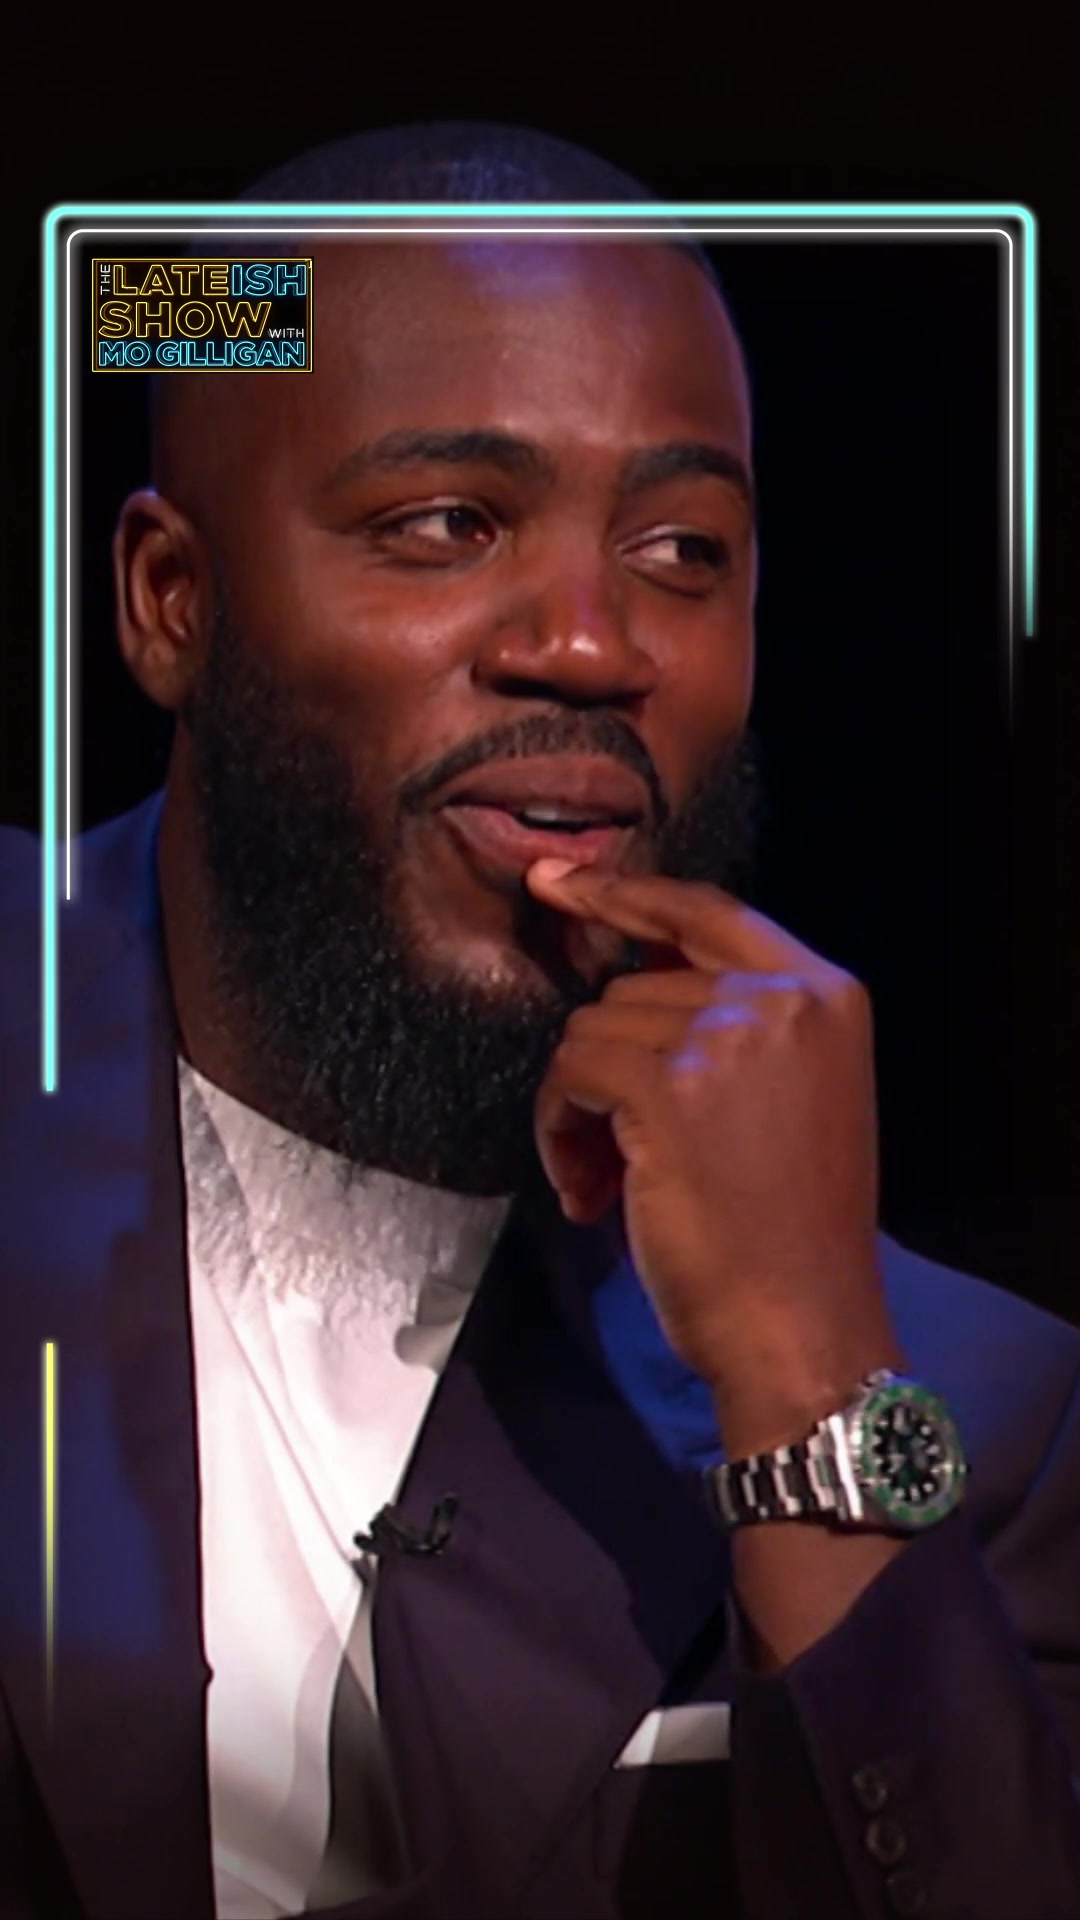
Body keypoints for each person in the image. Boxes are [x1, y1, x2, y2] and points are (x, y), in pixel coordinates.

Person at [1, 120, 1078, 1920]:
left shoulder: (983, 1411)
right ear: (171, 603)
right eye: (447, 524)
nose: (591, 645)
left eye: (682, 549)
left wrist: (806, 1381)